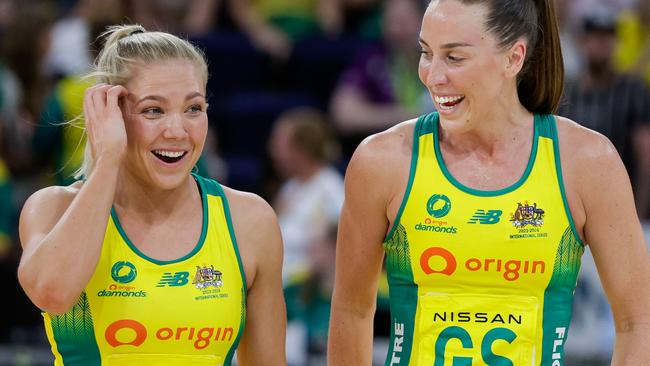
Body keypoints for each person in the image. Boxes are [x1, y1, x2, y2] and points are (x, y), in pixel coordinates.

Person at [328, 0, 650, 365]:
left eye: (454, 58)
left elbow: (638, 321)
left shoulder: (587, 162)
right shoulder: (381, 161)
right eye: (426, 53)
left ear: (513, 58)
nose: (432, 75)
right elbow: (351, 311)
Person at [17, 25, 286, 365]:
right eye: (153, 110)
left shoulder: (249, 220)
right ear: (110, 113)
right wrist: (107, 160)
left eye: (193, 108)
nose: (177, 131)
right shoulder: (53, 207)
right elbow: (52, 293)